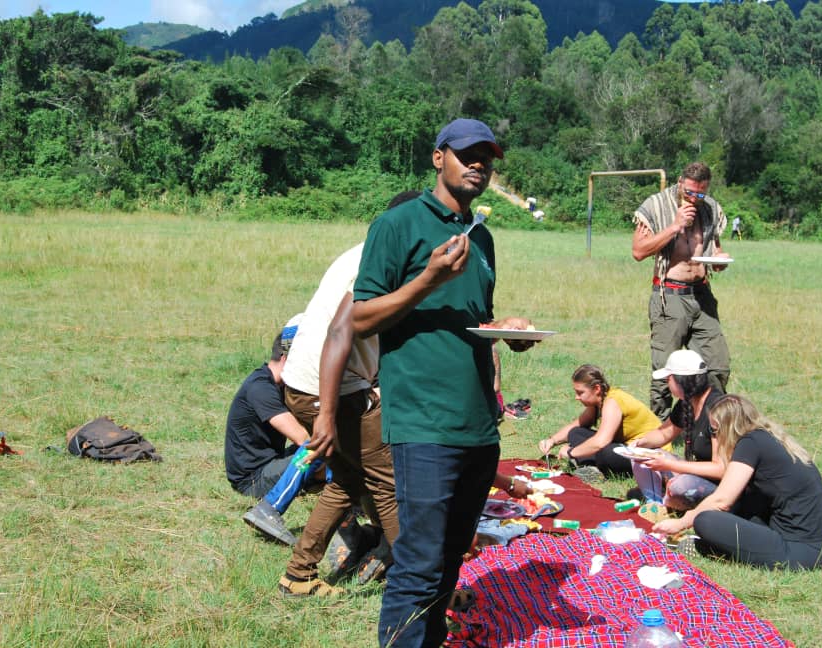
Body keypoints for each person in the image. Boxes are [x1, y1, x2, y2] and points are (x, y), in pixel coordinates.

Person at [352, 117, 535, 648]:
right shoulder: (398, 225)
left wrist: (507, 331)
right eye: (466, 154)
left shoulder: (482, 237)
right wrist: (428, 278)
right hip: (424, 421)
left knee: (452, 559)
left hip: (477, 422)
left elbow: (474, 319)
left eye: (487, 157)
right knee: (419, 565)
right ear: (438, 158)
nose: (479, 164)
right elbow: (360, 319)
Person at [277, 192, 421, 597]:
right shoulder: (379, 260)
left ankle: (299, 574)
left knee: (348, 479)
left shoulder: (362, 251)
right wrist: (327, 411)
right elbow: (340, 331)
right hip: (330, 389)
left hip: (307, 385)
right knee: (388, 482)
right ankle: (419, 587)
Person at [653, 394, 822, 570]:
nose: (713, 437)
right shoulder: (765, 438)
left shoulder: (750, 443)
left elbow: (722, 500)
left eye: (713, 430)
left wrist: (682, 522)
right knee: (741, 507)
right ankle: (714, 546)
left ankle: (708, 548)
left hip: (799, 552)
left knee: (705, 520)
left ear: (728, 428)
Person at [632, 162, 731, 419]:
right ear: (679, 182)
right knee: (664, 373)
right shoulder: (656, 206)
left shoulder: (710, 209)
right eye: (689, 192)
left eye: (700, 193)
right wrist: (674, 226)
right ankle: (659, 428)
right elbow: (638, 251)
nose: (694, 198)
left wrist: (720, 259)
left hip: (702, 295)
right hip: (670, 296)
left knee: (717, 367)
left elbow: (715, 248)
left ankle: (708, 423)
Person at [224, 321, 326, 546]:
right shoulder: (261, 388)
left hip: (270, 465)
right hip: (253, 480)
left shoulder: (280, 387)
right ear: (286, 359)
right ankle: (269, 509)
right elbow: (303, 438)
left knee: (328, 445)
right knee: (318, 447)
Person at [629, 350, 726, 510]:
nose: (667, 383)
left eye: (669, 379)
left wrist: (671, 465)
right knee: (642, 455)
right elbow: (664, 433)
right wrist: (639, 444)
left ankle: (664, 503)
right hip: (697, 472)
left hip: (722, 485)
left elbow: (720, 469)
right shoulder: (686, 402)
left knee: (679, 487)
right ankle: (655, 503)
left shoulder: (717, 410)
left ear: (681, 381)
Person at [537, 364, 663, 482]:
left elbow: (601, 442)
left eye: (580, 392)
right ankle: (591, 467)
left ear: (596, 389)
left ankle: (593, 467)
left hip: (649, 453)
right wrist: (552, 440)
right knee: (575, 433)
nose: (576, 397)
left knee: (606, 452)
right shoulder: (599, 399)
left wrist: (571, 452)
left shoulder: (612, 401)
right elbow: (579, 424)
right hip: (626, 446)